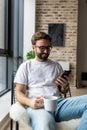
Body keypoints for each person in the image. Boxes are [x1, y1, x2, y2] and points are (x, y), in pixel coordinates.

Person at [14, 32, 87, 130]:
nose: (46, 51)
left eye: (48, 47)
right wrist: (30, 102)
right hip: (39, 106)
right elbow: (19, 92)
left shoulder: (56, 66)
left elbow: (63, 91)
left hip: (58, 104)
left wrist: (65, 87)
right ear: (33, 47)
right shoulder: (26, 66)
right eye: (42, 48)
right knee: (44, 126)